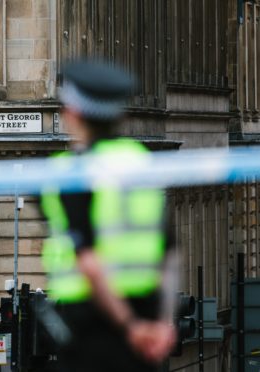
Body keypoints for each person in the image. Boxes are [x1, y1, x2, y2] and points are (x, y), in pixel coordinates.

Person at [40, 60, 177, 372]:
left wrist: (130, 327)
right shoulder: (140, 162)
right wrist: (163, 324)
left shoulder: (71, 171)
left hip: (94, 326)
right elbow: (169, 253)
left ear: (72, 112)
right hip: (147, 321)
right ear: (121, 115)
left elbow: (89, 262)